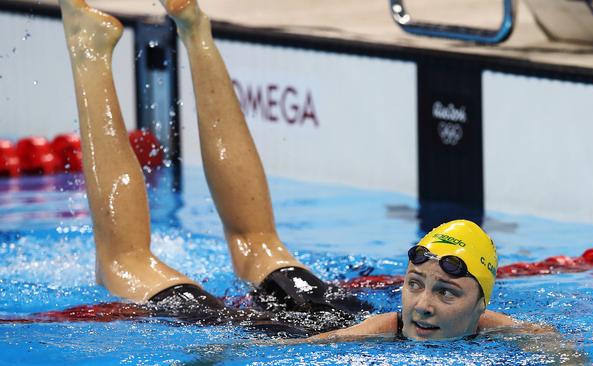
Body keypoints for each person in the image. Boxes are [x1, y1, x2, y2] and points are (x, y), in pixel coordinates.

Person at [57, 0, 523, 341]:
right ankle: (90, 51)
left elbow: (534, 334)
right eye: (416, 285)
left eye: (446, 294)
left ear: (481, 305)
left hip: (329, 306)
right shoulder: (404, 328)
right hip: (277, 328)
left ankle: (196, 30)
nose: (422, 305)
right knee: (126, 263)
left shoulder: (479, 324)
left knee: (259, 242)